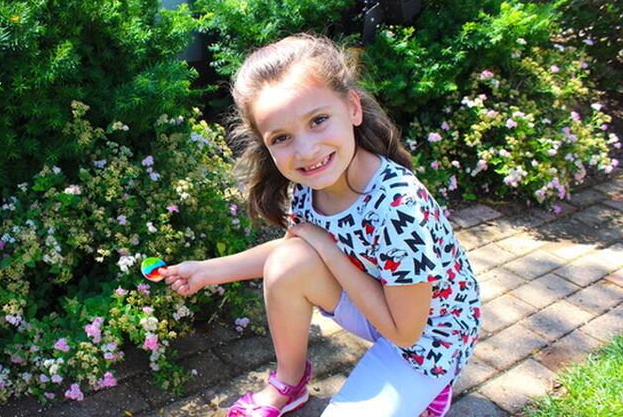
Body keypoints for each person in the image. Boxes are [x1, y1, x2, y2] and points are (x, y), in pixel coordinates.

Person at [161, 33, 481, 417]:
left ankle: (432, 385)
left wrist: (327, 248)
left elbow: (404, 332)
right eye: (282, 138)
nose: (306, 150)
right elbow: (294, 250)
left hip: (427, 339)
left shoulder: (398, 207)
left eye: (318, 120)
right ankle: (289, 383)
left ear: (353, 109)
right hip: (376, 303)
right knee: (289, 262)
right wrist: (206, 271)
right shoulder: (314, 183)